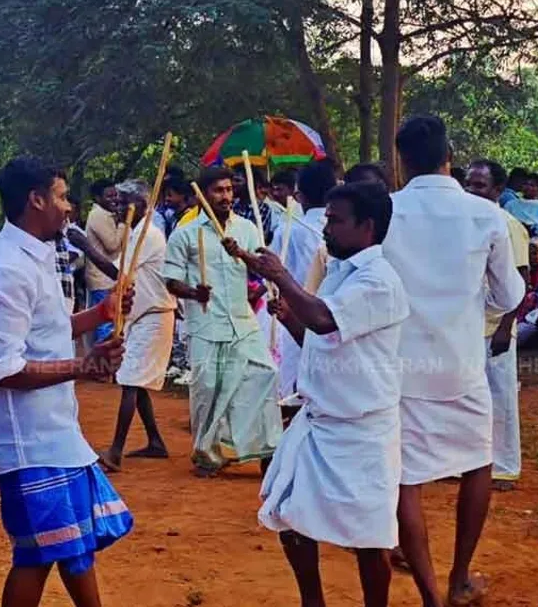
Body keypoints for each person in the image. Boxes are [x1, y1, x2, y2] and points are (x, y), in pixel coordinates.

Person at [0, 156, 133, 607]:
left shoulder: (32, 257)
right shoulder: (5, 270)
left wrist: (100, 314)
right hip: (26, 440)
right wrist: (85, 366)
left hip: (54, 430)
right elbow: (5, 369)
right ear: (35, 200)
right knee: (36, 556)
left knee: (74, 547)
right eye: (62, 195)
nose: (70, 207)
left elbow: (45, 333)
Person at [230, 182, 406, 607]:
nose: (326, 228)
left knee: (369, 539)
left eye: (336, 220)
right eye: (326, 218)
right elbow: (319, 337)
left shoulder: (379, 280)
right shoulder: (339, 271)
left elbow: (325, 321)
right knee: (287, 513)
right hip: (320, 422)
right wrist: (291, 315)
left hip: (363, 430)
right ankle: (313, 601)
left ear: (367, 227)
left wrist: (283, 279)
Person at [381, 115, 525, 607]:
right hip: (462, 362)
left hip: (400, 365)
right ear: (450, 156)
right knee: (478, 463)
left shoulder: (386, 210)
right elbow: (509, 293)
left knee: (406, 479)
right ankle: (459, 576)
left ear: (402, 161)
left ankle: (429, 594)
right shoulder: (486, 215)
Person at [164, 166, 282, 477]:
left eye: (229, 190)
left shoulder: (245, 229)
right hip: (206, 323)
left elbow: (263, 266)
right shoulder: (185, 234)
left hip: (243, 321)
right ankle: (207, 454)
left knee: (264, 374)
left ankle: (265, 447)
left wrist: (241, 253)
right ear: (202, 195)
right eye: (219, 190)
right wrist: (194, 292)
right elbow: (171, 281)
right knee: (208, 387)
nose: (226, 196)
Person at [98, 180, 176, 472]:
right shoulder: (134, 235)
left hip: (154, 314)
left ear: (140, 206)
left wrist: (85, 245)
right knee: (136, 380)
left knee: (130, 380)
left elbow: (118, 273)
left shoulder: (149, 235)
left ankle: (115, 451)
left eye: (123, 202)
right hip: (142, 315)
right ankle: (155, 441)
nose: (116, 207)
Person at [464, 160, 531, 490]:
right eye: (469, 184)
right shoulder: (463, 221)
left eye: (480, 185)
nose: (472, 190)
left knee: (501, 397)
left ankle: (505, 466)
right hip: (465, 325)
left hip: (497, 326)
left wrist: (507, 326)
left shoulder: (507, 224)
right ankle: (470, 462)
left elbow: (521, 278)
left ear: (497, 190)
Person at [268, 159, 335, 414]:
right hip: (330, 318)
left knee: (293, 394)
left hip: (298, 316)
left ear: (299, 195)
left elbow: (273, 271)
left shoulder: (291, 230)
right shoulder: (343, 228)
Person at [83, 178, 122, 342]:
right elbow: (112, 244)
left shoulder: (108, 214)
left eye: (115, 195)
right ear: (98, 199)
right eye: (109, 196)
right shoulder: (98, 215)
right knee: (105, 324)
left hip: (108, 278)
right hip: (101, 279)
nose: (114, 199)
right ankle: (104, 363)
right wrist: (123, 224)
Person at [505, 171, 538, 258]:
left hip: (537, 252)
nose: (528, 187)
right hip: (516, 250)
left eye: (532, 185)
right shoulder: (511, 205)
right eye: (526, 184)